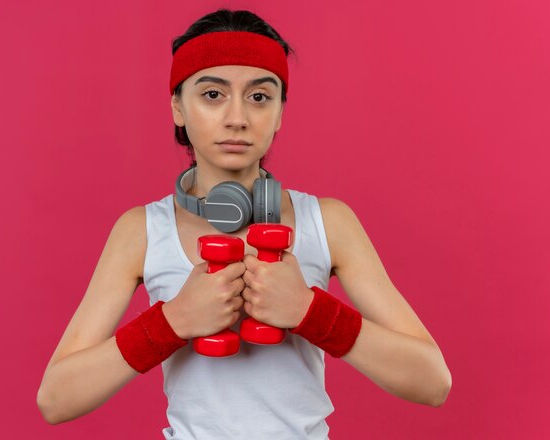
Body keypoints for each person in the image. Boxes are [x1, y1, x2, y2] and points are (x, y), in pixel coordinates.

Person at [37, 8, 452, 438]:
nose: (237, 118)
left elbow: (432, 381)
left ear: (280, 113)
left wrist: (311, 312)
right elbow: (56, 399)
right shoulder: (140, 231)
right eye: (213, 94)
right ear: (178, 107)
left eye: (259, 97)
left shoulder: (329, 222)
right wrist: (173, 321)